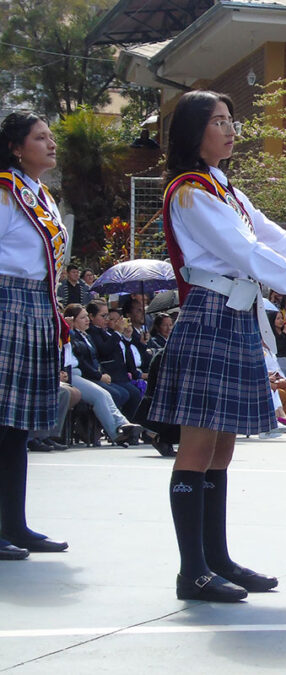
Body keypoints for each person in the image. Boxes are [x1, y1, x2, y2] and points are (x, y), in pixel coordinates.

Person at [147, 90, 286, 602]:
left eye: (231, 119)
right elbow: (251, 254)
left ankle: (216, 558)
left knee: (223, 448)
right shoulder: (189, 192)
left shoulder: (226, 191)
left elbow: (279, 240)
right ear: (195, 133)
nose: (231, 128)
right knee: (197, 447)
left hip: (238, 319)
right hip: (210, 317)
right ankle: (191, 569)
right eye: (219, 121)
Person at [0, 111, 69, 559]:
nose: (50, 143)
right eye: (39, 137)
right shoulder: (5, 194)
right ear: (15, 147)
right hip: (7, 301)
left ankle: (15, 525)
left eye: (50, 136)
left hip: (36, 305)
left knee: (16, 427)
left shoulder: (39, 193)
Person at [62, 304, 144, 446]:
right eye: (82, 317)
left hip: (83, 374)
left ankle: (124, 425)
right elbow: (80, 360)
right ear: (72, 320)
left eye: (87, 316)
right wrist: (98, 375)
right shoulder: (72, 335)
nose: (87, 320)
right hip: (73, 373)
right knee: (101, 395)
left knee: (106, 394)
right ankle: (114, 433)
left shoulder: (85, 335)